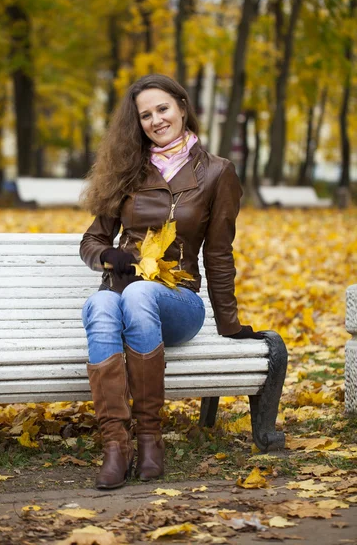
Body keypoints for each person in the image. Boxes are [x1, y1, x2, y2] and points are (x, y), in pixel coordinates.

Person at [79, 74, 264, 490]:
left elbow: (218, 253)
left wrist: (229, 324)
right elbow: (93, 239)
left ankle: (150, 439)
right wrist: (108, 255)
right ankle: (116, 446)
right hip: (123, 293)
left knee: (142, 293)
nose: (155, 120)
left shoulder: (218, 173)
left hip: (179, 301)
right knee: (101, 305)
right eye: (145, 115)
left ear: (182, 107)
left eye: (162, 108)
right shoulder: (128, 168)